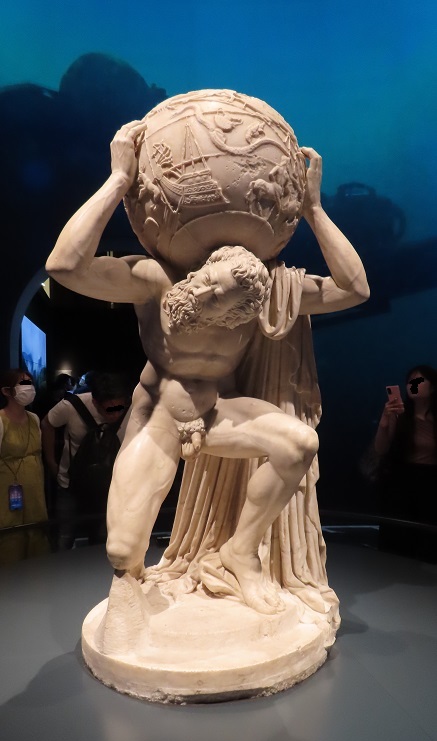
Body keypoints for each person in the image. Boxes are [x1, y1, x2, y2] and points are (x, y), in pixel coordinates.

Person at [45, 120, 369, 614]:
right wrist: (118, 179)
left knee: (299, 443)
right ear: (207, 264)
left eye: (221, 300)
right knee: (123, 551)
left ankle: (241, 553)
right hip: (159, 418)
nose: (206, 294)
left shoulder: (264, 296)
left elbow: (354, 289)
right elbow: (64, 266)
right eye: (210, 281)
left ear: (241, 311)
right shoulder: (155, 281)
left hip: (215, 413)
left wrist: (314, 210)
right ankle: (133, 595)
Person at [41, 371, 130, 549]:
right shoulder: (72, 406)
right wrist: (51, 462)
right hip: (71, 484)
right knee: (65, 536)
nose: (115, 415)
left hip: (111, 486)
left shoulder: (131, 410)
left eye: (119, 408)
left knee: (104, 539)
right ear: (95, 402)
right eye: (109, 409)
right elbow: (47, 423)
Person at [374, 364, 437, 527]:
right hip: (401, 480)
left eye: (419, 380)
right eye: (410, 381)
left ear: (433, 387)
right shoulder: (400, 415)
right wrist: (384, 421)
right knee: (400, 529)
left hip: (431, 482)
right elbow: (380, 449)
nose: (412, 385)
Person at [0, 369, 50, 564]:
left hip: (34, 489)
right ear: (6, 391)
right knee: (10, 538)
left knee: (36, 535)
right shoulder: (1, 420)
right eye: (23, 383)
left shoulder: (34, 418)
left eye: (30, 382)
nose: (28, 387)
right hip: (7, 490)